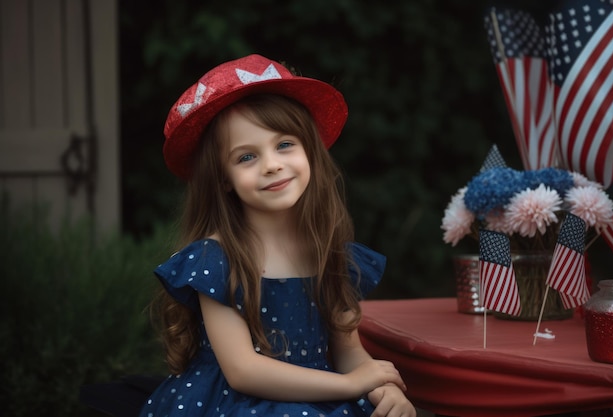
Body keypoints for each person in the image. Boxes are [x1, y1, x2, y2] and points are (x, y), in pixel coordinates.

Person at [139, 54, 416, 417]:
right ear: (224, 179)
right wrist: (351, 385)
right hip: (235, 404)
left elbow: (349, 353)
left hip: (318, 394)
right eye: (246, 157)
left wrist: (382, 388)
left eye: (284, 144)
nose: (271, 164)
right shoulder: (216, 259)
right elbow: (243, 371)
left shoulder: (329, 252)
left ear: (310, 151)